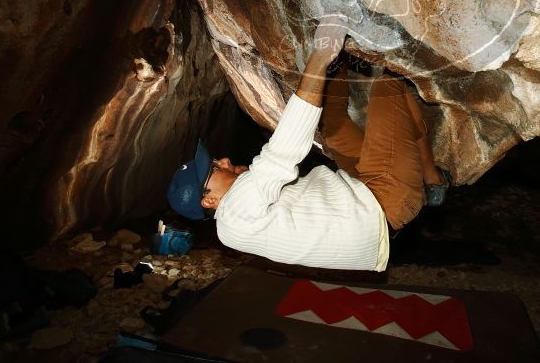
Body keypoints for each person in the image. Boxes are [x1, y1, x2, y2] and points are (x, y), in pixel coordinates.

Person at [166, 15, 446, 271]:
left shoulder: (235, 226)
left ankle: (343, 59)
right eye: (213, 169)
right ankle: (431, 176)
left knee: (330, 126)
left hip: (362, 198)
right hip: (386, 202)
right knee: (388, 86)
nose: (223, 160)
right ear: (209, 200)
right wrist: (320, 56)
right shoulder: (236, 212)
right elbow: (281, 152)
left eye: (214, 160)